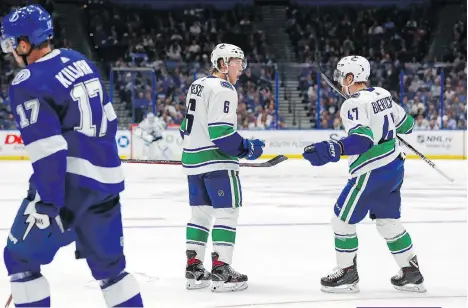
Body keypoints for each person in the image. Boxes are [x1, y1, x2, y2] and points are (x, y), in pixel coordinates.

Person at [1, 5, 143, 307]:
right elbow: (109, 118)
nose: (11, 50)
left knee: (19, 259)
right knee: (112, 273)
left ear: (24, 44)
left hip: (68, 189)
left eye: (12, 43)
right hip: (106, 184)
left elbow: (49, 150)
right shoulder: (77, 60)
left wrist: (47, 202)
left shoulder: (27, 82)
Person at [302, 55, 424, 293]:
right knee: (388, 221)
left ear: (351, 77)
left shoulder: (352, 104)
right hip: (394, 167)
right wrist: (384, 123)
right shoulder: (382, 94)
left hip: (371, 171)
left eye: (341, 76)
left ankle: (347, 274)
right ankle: (411, 272)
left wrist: (334, 148)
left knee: (341, 220)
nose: (338, 82)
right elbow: (407, 125)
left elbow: (363, 140)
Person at [180, 43, 264, 292]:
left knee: (200, 216)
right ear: (223, 64)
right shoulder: (224, 88)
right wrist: (248, 148)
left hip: (193, 163)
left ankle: (194, 270)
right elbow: (221, 133)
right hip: (217, 163)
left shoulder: (197, 85)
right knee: (227, 213)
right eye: (238, 62)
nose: (242, 68)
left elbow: (185, 126)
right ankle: (222, 271)